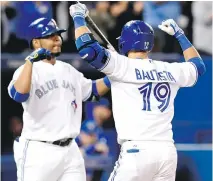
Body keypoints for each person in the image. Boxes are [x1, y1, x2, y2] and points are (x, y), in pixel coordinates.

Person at [69, 3, 206, 181]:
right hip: (167, 152)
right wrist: (180, 35)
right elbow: (198, 67)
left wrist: (78, 17)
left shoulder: (121, 65)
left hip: (137, 151)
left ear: (124, 42)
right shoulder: (169, 69)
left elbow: (87, 48)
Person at [7, 17, 111, 181]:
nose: (57, 38)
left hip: (71, 150)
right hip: (40, 150)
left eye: (58, 34)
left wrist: (114, 75)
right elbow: (19, 94)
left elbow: (92, 91)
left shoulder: (68, 69)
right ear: (36, 42)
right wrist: (30, 62)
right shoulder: (26, 70)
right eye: (50, 35)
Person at [76, 98, 111, 181]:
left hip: (93, 164)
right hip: (82, 162)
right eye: (104, 108)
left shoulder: (99, 127)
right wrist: (94, 145)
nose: (108, 111)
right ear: (97, 108)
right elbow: (83, 139)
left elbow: (103, 147)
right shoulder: (90, 123)